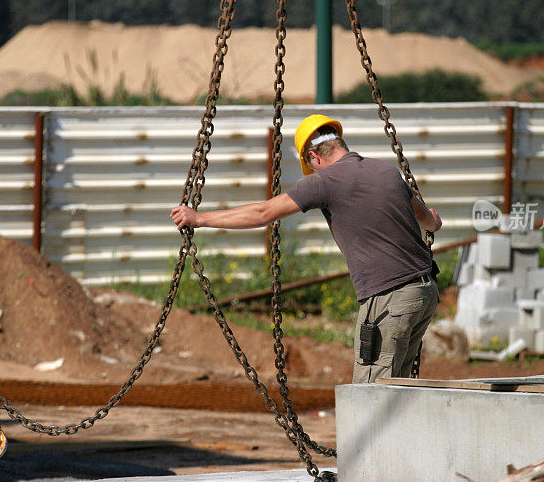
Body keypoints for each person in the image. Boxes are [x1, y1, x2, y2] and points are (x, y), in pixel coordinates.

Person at [171, 114, 442, 383]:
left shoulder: (326, 181)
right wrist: (434, 220)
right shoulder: (386, 171)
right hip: (425, 292)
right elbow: (429, 220)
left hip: (389, 298)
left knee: (372, 393)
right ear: (340, 143)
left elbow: (264, 212)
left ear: (314, 157)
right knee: (399, 387)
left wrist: (200, 218)